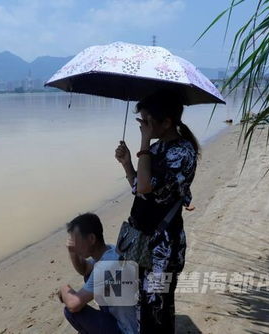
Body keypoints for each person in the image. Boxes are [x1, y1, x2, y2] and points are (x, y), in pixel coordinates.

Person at [114, 90, 199, 333]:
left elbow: (145, 186)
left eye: (147, 122)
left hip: (163, 247)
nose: (143, 127)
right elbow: (139, 190)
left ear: (167, 122)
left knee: (157, 308)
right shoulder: (158, 147)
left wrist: (143, 145)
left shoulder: (182, 152)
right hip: (142, 242)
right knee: (140, 305)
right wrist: (127, 162)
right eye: (141, 122)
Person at [59, 212, 138, 334]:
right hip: (132, 319)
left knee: (70, 311)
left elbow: (74, 304)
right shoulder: (111, 251)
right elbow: (84, 269)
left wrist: (64, 288)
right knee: (89, 275)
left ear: (91, 239)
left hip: (127, 329)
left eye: (76, 241)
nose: (74, 244)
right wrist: (72, 252)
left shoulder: (105, 267)